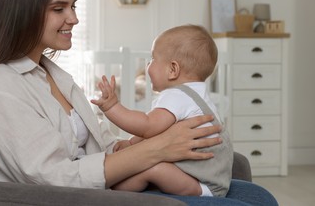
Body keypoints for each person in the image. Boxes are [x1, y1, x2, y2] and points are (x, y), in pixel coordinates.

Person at [0, 0, 277, 206]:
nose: (74, 18)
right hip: (73, 198)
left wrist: (137, 142)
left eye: (74, 5)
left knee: (259, 196)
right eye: (60, 8)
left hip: (105, 186)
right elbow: (54, 177)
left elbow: (100, 146)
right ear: (23, 11)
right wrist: (159, 149)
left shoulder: (53, 75)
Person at [91, 25, 233, 197]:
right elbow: (159, 132)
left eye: (152, 59)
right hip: (214, 177)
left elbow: (147, 126)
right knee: (153, 163)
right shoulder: (197, 94)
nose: (148, 65)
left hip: (200, 183)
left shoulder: (176, 95)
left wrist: (112, 107)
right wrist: (130, 144)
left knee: (153, 168)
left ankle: (115, 190)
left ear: (173, 70)